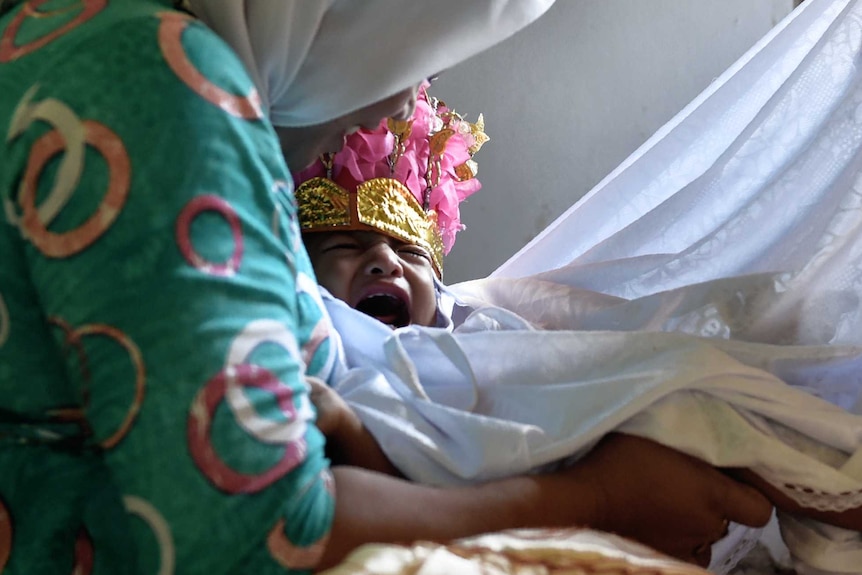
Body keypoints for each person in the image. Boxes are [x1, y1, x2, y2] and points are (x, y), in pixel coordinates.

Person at [0, 0, 778, 573]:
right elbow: (262, 538)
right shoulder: (156, 84)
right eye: (415, 49)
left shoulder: (80, 43)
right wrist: (603, 503)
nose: (409, 103)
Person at [294, 85, 862, 573]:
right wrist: (350, 426)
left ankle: (830, 501)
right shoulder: (330, 350)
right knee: (686, 403)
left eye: (409, 254)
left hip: (564, 439)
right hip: (508, 476)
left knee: (690, 386)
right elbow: (381, 459)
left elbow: (553, 366)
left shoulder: (472, 326)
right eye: (345, 247)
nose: (386, 262)